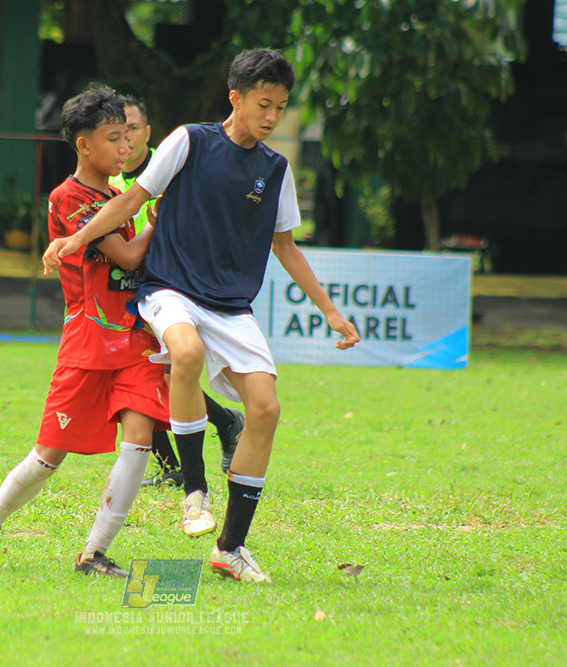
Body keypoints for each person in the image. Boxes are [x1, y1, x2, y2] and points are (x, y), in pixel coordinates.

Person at [44, 49, 360, 583]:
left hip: (231, 307)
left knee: (265, 410)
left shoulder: (275, 170)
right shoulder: (189, 140)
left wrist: (330, 311)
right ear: (235, 98)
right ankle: (194, 493)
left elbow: (286, 247)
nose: (271, 117)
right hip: (171, 290)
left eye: (280, 108)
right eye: (263, 104)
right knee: (184, 352)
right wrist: (75, 238)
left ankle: (230, 548)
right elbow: (129, 202)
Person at [0, 83, 168, 578]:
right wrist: (162, 212)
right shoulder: (69, 198)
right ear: (83, 144)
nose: (125, 147)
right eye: (113, 138)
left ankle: (95, 553)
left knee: (139, 437)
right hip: (89, 340)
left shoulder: (118, 195)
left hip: (134, 340)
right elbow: (128, 256)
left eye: (128, 136)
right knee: (48, 455)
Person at [108, 96, 245, 490]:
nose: (125, 140)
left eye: (132, 129)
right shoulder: (112, 182)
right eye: (115, 133)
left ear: (148, 133)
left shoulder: (172, 165)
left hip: (172, 287)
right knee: (140, 378)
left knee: (156, 378)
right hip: (129, 288)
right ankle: (199, 443)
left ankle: (199, 444)